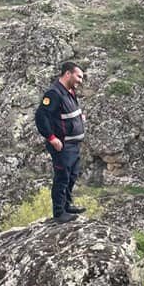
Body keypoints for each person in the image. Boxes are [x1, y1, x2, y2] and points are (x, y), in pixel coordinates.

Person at [34, 61, 86, 224]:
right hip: (62, 145)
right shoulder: (54, 93)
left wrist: (79, 119)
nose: (80, 81)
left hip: (74, 145)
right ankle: (59, 212)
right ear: (68, 74)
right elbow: (41, 117)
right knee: (62, 177)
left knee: (72, 175)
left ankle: (67, 206)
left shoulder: (69, 91)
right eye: (78, 76)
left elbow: (65, 114)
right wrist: (51, 138)